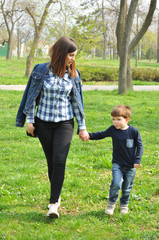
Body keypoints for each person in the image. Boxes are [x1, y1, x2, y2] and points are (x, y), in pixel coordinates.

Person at [15, 36, 89, 218]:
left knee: (59, 160)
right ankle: (57, 194)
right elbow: (32, 98)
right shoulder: (41, 70)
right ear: (60, 53)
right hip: (43, 123)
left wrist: (82, 126)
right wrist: (29, 121)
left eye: (74, 55)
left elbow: (76, 102)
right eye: (70, 55)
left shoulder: (74, 74)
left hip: (65, 123)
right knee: (51, 162)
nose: (73, 59)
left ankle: (53, 203)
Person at [83, 105, 143, 215]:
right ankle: (111, 204)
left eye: (118, 119)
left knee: (126, 188)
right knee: (116, 183)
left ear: (127, 119)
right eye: (113, 119)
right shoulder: (113, 130)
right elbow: (101, 134)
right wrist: (89, 136)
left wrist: (137, 161)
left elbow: (140, 146)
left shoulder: (133, 131)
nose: (115, 122)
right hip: (118, 164)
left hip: (130, 166)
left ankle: (124, 205)